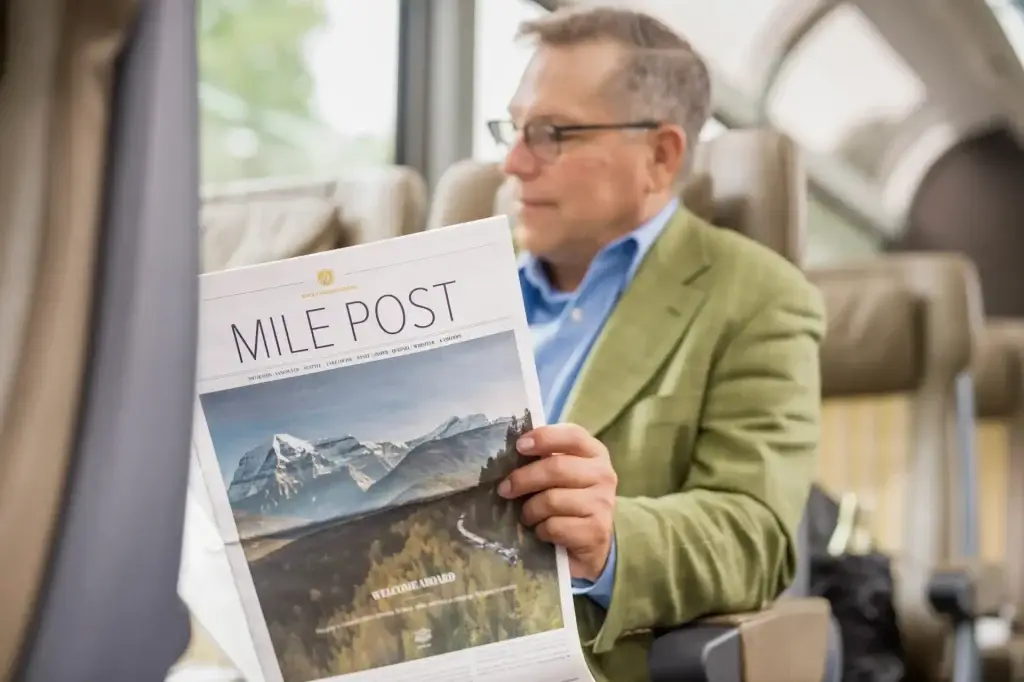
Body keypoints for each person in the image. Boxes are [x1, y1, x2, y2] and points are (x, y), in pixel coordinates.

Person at [488, 6, 826, 682]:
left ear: (660, 155)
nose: (515, 161)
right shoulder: (454, 282)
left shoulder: (756, 298)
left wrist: (611, 540)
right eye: (515, 128)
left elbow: (752, 536)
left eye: (551, 133)